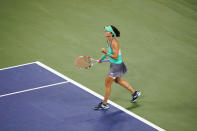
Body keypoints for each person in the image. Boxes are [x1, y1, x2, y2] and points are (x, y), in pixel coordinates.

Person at [94, 25, 141, 110]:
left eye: (107, 31)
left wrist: (105, 52)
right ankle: (134, 93)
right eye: (105, 30)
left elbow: (115, 56)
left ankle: (104, 104)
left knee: (107, 83)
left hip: (116, 66)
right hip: (114, 64)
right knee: (117, 80)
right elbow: (109, 52)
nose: (105, 32)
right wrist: (101, 58)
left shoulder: (114, 43)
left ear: (111, 34)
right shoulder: (108, 40)